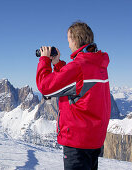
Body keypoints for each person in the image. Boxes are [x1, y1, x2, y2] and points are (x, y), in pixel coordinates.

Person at [36, 21, 111, 170]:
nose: (68, 44)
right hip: (94, 139)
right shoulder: (97, 64)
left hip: (78, 142)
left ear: (75, 40)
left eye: (68, 39)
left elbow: (46, 88)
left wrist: (44, 60)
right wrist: (57, 64)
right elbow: (77, 85)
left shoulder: (78, 66)